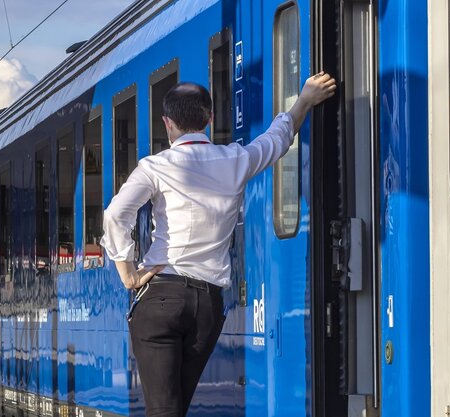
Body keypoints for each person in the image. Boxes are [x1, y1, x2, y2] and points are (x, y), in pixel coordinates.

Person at [101, 72, 336, 416]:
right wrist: (304, 100)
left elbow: (115, 214)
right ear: (209, 120)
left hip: (161, 295)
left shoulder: (155, 166)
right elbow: (278, 137)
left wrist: (128, 273)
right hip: (206, 306)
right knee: (174, 407)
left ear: (167, 123)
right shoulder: (235, 160)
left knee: (163, 409)